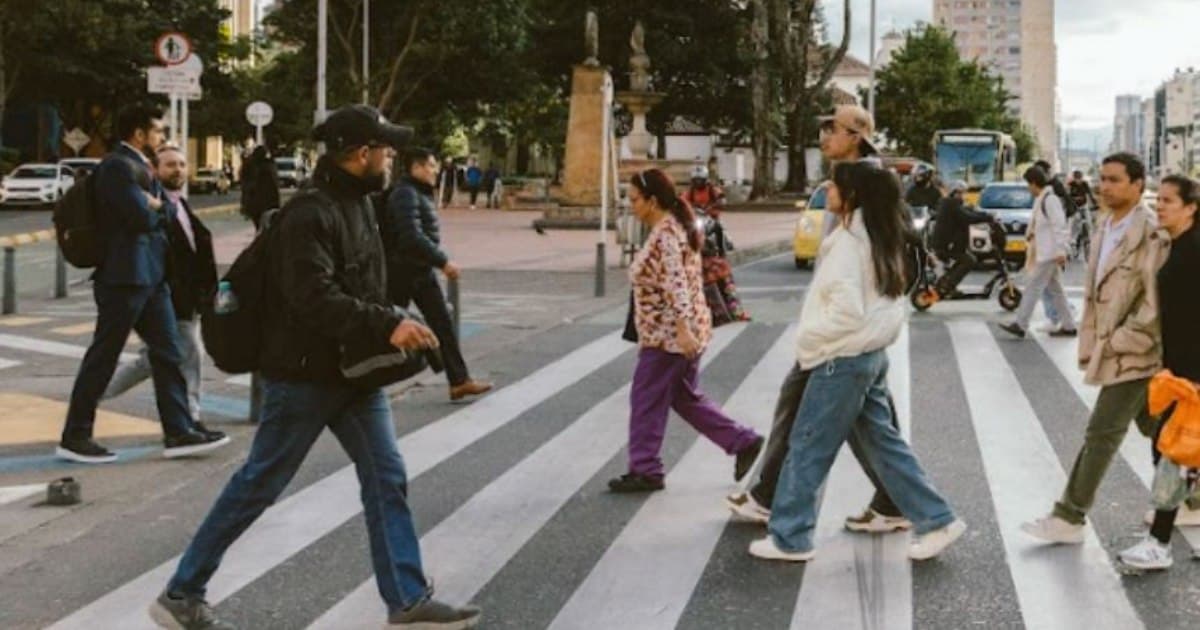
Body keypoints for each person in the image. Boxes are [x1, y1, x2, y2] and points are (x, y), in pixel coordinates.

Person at [149, 105, 481, 630]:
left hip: (353, 372)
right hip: (302, 376)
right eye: (385, 150)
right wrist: (385, 323)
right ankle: (182, 592)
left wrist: (399, 320)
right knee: (259, 483)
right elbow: (312, 297)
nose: (391, 158)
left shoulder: (359, 204)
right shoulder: (309, 213)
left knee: (386, 477)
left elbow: (364, 285)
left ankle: (407, 599)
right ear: (362, 153)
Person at [749, 161, 966, 562]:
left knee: (808, 446)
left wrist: (812, 338)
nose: (827, 190)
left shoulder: (850, 243)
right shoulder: (877, 234)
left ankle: (790, 537)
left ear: (851, 195)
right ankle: (938, 520)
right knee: (883, 446)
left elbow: (846, 311)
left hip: (841, 356)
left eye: (834, 186)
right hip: (867, 353)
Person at [727, 105, 910, 534]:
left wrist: (836, 319)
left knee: (813, 406)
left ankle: (771, 499)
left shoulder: (869, 181)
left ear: (856, 136)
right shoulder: (846, 178)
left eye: (832, 129)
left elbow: (878, 251)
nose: (824, 136)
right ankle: (894, 500)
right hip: (847, 322)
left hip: (848, 325)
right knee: (868, 421)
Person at [57, 106, 228, 464]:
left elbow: (163, 210)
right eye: (157, 131)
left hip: (151, 277)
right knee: (103, 357)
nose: (161, 136)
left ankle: (179, 431)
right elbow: (141, 218)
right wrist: (156, 207)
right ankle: (75, 436)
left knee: (169, 354)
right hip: (124, 277)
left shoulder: (139, 167)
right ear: (138, 134)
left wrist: (155, 205)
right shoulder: (117, 167)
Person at [1019, 153, 1169, 544]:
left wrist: (1122, 340)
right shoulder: (1106, 224)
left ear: (1138, 185)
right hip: (1113, 345)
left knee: (1102, 433)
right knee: (1157, 427)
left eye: (1115, 180)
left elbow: (1154, 302)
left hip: (1136, 349)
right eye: (1102, 179)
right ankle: (1193, 495)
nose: (1105, 186)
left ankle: (1069, 515)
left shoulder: (1150, 232)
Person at [607, 168, 764, 493]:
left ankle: (645, 469)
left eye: (635, 200)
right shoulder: (674, 226)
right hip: (679, 330)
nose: (631, 206)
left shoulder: (666, 234)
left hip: (669, 336)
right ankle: (742, 441)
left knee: (646, 398)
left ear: (652, 201)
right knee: (683, 397)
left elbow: (676, 284)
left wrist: (682, 330)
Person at [103, 145, 218, 433]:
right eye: (170, 165)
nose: (178, 170)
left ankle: (93, 393)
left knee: (153, 358)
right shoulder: (152, 205)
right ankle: (190, 418)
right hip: (169, 295)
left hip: (189, 296)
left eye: (181, 164)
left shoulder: (180, 203)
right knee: (189, 354)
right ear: (154, 170)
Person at [1117, 174, 1200, 570]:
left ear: (1191, 207)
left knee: (1171, 450)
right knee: (1181, 452)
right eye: (1159, 199)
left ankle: (1159, 543)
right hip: (1178, 368)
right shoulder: (1179, 245)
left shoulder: (1194, 250)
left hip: (1190, 373)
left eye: (1168, 201)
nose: (1159, 206)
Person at [382, 147, 493, 402]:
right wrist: (442, 261)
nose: (436, 171)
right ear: (416, 167)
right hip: (403, 271)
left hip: (418, 269)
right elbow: (410, 236)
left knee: (442, 324)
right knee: (389, 326)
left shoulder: (416, 193)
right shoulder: (405, 194)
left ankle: (459, 381)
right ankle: (365, 385)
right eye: (431, 166)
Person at [999, 166, 1077, 339]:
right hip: (1047, 252)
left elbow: (1060, 226)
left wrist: (1061, 250)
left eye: (1029, 185)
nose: (1028, 188)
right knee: (1056, 291)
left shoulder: (1050, 200)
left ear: (1034, 183)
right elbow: (1045, 225)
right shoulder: (1042, 199)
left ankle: (1021, 324)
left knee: (1032, 288)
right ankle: (1069, 325)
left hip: (1049, 254)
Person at [685, 165, 749, 325]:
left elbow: (721, 198)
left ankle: (722, 249)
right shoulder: (690, 192)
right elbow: (682, 201)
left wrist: (717, 204)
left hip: (710, 219)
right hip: (696, 220)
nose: (698, 183)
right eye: (695, 180)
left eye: (700, 180)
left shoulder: (712, 190)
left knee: (720, 228)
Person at [930, 180, 994, 298]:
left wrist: (983, 215)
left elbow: (968, 213)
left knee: (967, 259)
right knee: (968, 260)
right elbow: (966, 217)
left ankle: (947, 283)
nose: (962, 195)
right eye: (960, 193)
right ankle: (948, 285)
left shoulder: (952, 204)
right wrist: (987, 217)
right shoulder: (951, 204)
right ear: (954, 193)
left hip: (950, 243)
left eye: (963, 193)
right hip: (946, 244)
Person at [239, 145, 280, 230]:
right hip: (266, 203)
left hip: (260, 203)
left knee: (261, 226)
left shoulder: (254, 165)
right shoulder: (268, 166)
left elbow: (245, 186)